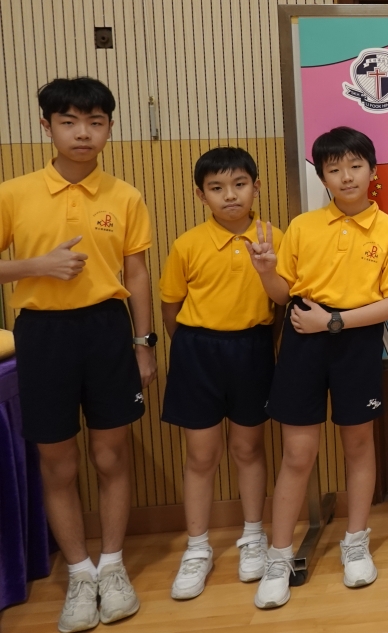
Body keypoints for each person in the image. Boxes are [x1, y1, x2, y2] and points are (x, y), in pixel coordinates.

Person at [0, 78, 154, 632]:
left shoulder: (125, 195)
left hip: (108, 330)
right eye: (69, 122)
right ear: (47, 126)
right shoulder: (13, 193)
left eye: (95, 122)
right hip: (41, 333)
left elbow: (137, 273)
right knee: (57, 461)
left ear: (109, 127)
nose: (83, 133)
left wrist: (143, 344)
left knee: (111, 455)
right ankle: (79, 573)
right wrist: (35, 266)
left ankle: (112, 566)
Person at [248, 127, 388, 609]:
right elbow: (283, 296)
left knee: (358, 444)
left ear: (372, 171)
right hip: (303, 336)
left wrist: (334, 322)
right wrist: (266, 270)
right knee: (298, 453)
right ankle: (279, 557)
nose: (346, 176)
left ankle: (355, 543)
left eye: (355, 166)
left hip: (355, 339)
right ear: (322, 176)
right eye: (334, 169)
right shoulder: (303, 227)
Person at [159, 147, 281, 600]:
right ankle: (197, 547)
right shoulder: (187, 244)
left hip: (253, 349)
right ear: (201, 194)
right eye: (216, 188)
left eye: (239, 185)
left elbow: (283, 300)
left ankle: (253, 535)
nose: (230, 195)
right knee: (201, 455)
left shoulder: (274, 237)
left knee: (248, 448)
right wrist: (191, 348)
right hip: (197, 351)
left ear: (256, 187)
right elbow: (170, 307)